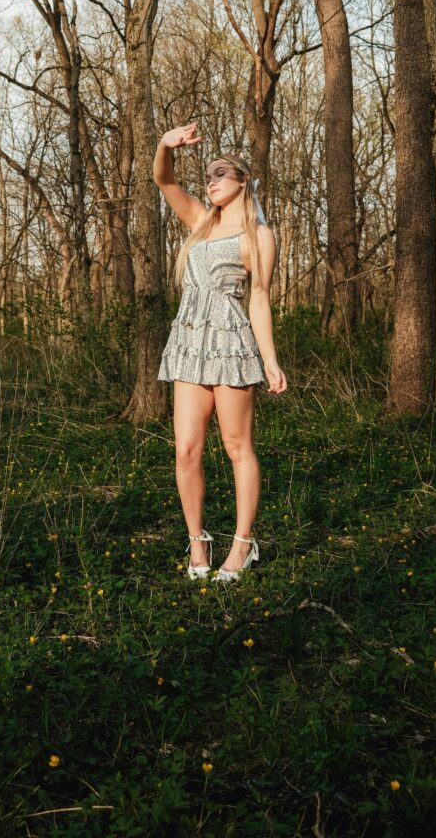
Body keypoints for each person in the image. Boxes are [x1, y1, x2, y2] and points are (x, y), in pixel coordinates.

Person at [154, 122, 287, 582]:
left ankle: (243, 545)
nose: (210, 180)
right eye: (208, 174)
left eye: (221, 174)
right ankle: (197, 541)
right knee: (187, 450)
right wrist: (165, 145)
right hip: (190, 344)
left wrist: (269, 360)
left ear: (243, 181)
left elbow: (260, 298)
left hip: (232, 344)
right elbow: (165, 180)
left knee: (236, 446)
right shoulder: (199, 219)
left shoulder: (259, 236)